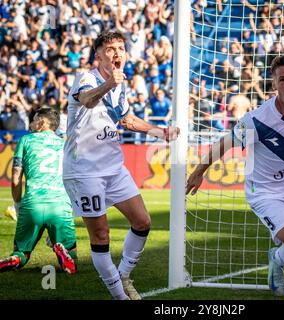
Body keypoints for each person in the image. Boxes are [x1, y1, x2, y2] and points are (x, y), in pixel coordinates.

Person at [187, 54, 284, 300]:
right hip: (267, 191)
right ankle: (277, 259)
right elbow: (223, 145)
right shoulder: (257, 120)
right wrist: (198, 172)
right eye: (283, 80)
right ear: (274, 85)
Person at [63, 31, 179, 300]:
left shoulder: (121, 85)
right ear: (98, 55)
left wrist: (159, 132)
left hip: (114, 167)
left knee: (142, 221)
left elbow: (126, 119)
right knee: (101, 234)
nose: (116, 53)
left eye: (120, 48)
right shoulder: (87, 79)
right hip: (85, 170)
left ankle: (124, 275)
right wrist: (109, 84)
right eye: (110, 48)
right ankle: (120, 296)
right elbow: (87, 100)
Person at [0, 108, 77, 274]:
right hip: (59, 205)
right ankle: (62, 251)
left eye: (34, 120)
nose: (32, 124)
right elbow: (74, 179)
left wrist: (18, 205)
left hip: (32, 204)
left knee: (21, 253)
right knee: (72, 257)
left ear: (42, 123)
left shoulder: (25, 140)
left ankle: (15, 259)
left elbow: (15, 179)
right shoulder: (65, 144)